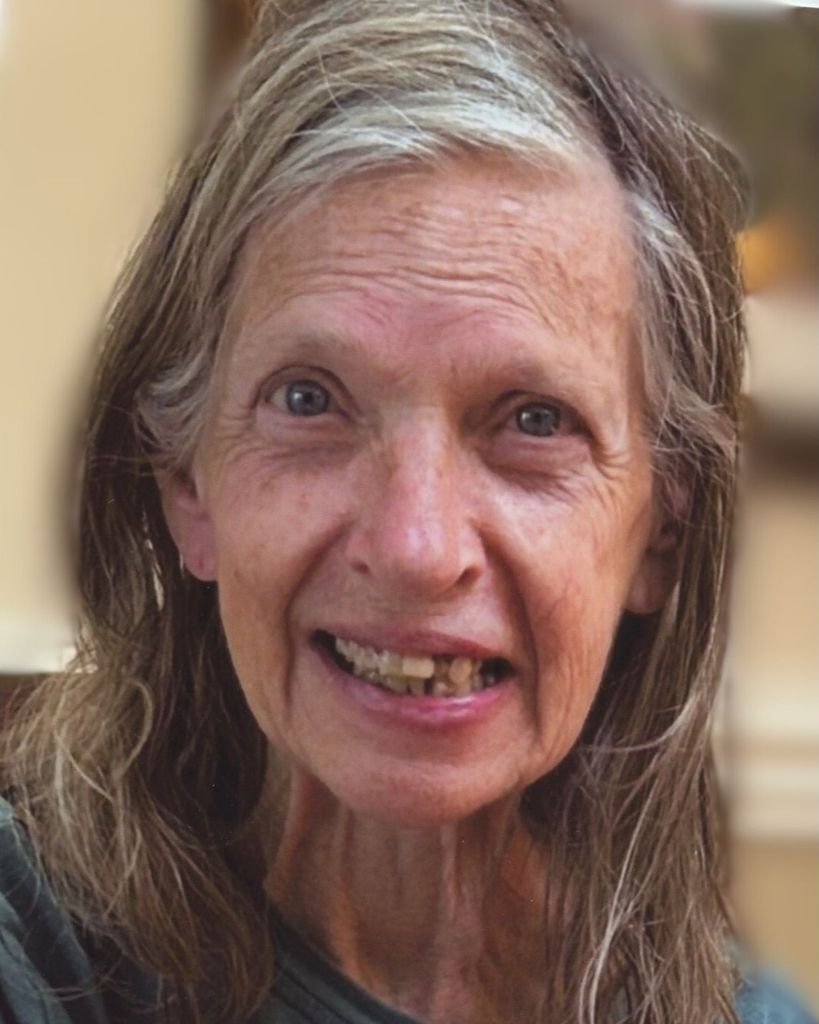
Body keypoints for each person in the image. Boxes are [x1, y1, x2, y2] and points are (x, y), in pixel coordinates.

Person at [1, 2, 815, 1023]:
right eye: (310, 400)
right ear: (187, 484)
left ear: (661, 529)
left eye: (533, 419)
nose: (416, 548)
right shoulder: (38, 956)